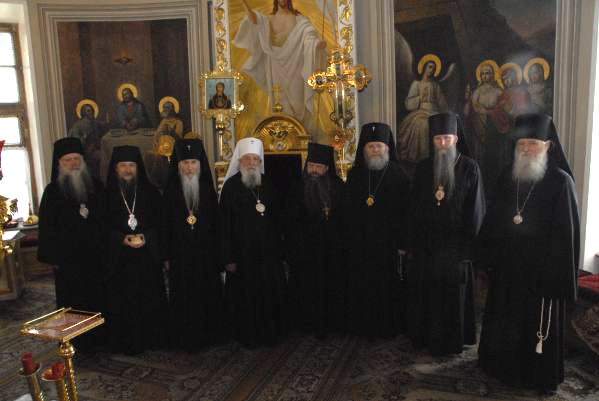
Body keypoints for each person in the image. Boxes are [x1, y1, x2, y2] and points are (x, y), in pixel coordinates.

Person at [477, 113, 579, 395]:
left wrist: (556, 277)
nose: (526, 149)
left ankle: (537, 376)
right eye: (522, 144)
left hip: (541, 275)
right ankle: (501, 368)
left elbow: (566, 237)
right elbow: (492, 219)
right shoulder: (507, 177)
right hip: (507, 270)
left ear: (548, 146)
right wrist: (487, 257)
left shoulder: (561, 182)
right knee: (505, 321)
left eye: (533, 144)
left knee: (535, 327)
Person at [407, 112, 485, 355]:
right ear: (432, 140)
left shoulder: (470, 167)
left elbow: (476, 211)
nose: (442, 143)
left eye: (447, 138)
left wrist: (468, 250)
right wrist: (414, 243)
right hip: (427, 246)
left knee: (453, 298)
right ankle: (425, 338)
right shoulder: (422, 168)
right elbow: (413, 208)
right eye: (438, 139)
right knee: (427, 295)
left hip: (455, 248)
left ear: (456, 139)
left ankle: (452, 342)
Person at [342, 122, 411, 338]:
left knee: (387, 286)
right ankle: (361, 326)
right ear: (364, 149)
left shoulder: (400, 175)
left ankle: (388, 327)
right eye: (371, 146)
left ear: (387, 148)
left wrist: (402, 243)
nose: (375, 150)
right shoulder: (355, 175)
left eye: (379, 146)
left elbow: (407, 213)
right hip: (360, 243)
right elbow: (347, 210)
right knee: (362, 285)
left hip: (388, 244)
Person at [219, 137, 287, 347]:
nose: (251, 163)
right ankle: (247, 334)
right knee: (246, 296)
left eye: (255, 159)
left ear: (260, 162)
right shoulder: (230, 187)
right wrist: (228, 258)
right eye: (247, 159)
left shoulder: (268, 184)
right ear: (239, 161)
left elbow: (278, 219)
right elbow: (224, 225)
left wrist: (280, 250)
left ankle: (270, 332)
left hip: (268, 255)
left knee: (268, 293)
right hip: (242, 256)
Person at [102, 145, 168, 355]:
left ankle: (153, 339)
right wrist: (121, 239)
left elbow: (162, 224)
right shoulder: (105, 196)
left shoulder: (151, 193)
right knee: (123, 301)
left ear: (138, 168)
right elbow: (99, 229)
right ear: (115, 169)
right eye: (123, 166)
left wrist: (146, 237)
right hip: (120, 262)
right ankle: (124, 341)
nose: (128, 170)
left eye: (131, 165)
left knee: (149, 299)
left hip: (147, 260)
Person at [162, 139, 222, 350]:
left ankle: (210, 335)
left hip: (206, 254)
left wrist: (218, 253)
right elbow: (164, 226)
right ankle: (184, 336)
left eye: (193, 163)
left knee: (207, 293)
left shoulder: (207, 190)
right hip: (180, 255)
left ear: (200, 165)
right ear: (178, 166)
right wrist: (166, 256)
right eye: (185, 163)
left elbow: (217, 224)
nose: (189, 168)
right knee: (183, 295)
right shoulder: (170, 191)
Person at [234, 0, 327, 132]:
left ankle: (302, 134)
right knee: (279, 102)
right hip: (275, 65)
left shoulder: (299, 20)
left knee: (297, 103)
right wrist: (245, 3)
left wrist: (316, 44)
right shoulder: (268, 20)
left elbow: (309, 36)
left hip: (295, 65)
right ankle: (282, 133)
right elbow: (255, 20)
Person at [284, 142, 345, 337]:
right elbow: (289, 222)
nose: (314, 171)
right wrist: (295, 247)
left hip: (332, 250)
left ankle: (332, 323)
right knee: (306, 288)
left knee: (331, 287)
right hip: (304, 250)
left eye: (319, 167)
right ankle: (305, 324)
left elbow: (345, 220)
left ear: (327, 168)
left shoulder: (338, 187)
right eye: (311, 166)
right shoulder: (296, 188)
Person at [38, 137, 104, 312]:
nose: (73, 164)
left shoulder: (97, 187)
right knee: (72, 302)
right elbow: (46, 227)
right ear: (59, 163)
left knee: (99, 299)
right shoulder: (52, 192)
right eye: (68, 160)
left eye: (77, 159)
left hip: (96, 257)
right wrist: (53, 257)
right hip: (67, 260)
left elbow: (107, 219)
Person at [464, 62, 511, 199]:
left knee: (494, 157)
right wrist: (485, 111)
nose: (485, 76)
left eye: (488, 73)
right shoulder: (477, 91)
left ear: (493, 75)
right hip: (480, 126)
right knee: (480, 156)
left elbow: (505, 108)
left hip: (494, 128)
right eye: (483, 73)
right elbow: (474, 108)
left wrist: (496, 111)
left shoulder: (498, 91)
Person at [398, 56, 448, 163]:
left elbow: (442, 104)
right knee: (422, 124)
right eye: (430, 67)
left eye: (434, 68)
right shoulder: (417, 84)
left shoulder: (435, 86)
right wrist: (419, 98)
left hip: (434, 112)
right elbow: (409, 102)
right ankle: (421, 157)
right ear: (424, 67)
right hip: (421, 112)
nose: (432, 70)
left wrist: (445, 114)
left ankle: (435, 157)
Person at [68, 101, 107, 178]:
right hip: (85, 152)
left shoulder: (94, 123)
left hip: (95, 149)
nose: (91, 112)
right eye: (88, 111)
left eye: (91, 110)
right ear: (83, 113)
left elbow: (101, 129)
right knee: (103, 157)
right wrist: (85, 138)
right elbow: (76, 142)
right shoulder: (77, 126)